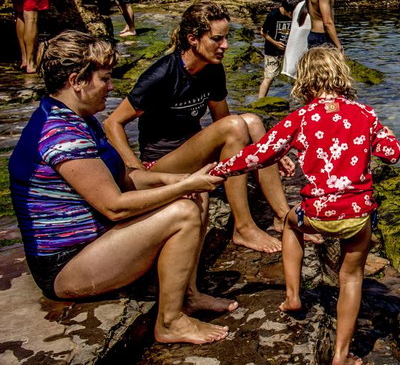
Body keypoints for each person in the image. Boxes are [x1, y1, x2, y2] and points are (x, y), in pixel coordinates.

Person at [8, 31, 233, 344]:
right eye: (104, 78)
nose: (111, 87)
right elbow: (113, 205)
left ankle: (188, 295)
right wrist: (182, 188)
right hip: (67, 265)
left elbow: (127, 179)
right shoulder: (60, 135)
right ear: (77, 80)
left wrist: (184, 181)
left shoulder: (80, 119)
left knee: (194, 194)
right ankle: (169, 322)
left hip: (97, 243)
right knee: (183, 211)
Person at [211, 47, 400, 365]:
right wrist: (373, 137)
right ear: (341, 76)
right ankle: (342, 354)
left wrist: (221, 169)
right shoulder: (364, 113)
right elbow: (392, 152)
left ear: (306, 82)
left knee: (289, 222)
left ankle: (293, 295)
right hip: (357, 217)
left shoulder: (301, 118)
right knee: (351, 277)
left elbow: (259, 154)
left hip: (317, 215)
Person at [104, 0, 292, 254]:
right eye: (217, 39)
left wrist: (268, 153)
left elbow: (223, 120)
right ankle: (243, 228)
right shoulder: (161, 76)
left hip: (194, 152)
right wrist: (135, 168)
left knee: (252, 121)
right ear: (193, 39)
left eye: (225, 38)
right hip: (161, 163)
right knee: (238, 125)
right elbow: (112, 122)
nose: (225, 45)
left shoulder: (212, 70)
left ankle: (283, 216)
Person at [259, 0, 299, 98]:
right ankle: (259, 101)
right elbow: (263, 32)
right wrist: (275, 43)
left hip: (289, 50)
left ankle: (295, 100)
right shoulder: (273, 15)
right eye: (291, 13)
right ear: (287, 10)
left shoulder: (294, 16)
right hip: (272, 50)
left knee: (296, 76)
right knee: (269, 77)